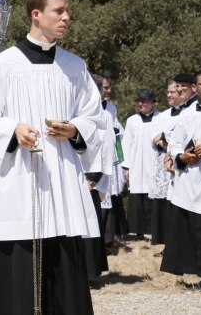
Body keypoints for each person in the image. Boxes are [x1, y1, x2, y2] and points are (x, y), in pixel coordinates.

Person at [0, 0, 105, 314]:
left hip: (62, 184)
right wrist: (12, 129)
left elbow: (95, 119)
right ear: (36, 14)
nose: (67, 17)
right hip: (18, 180)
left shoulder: (75, 67)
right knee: (17, 280)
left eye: (67, 10)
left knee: (64, 276)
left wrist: (75, 129)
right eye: (59, 10)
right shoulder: (2, 65)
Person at [161, 69, 201, 290]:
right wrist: (181, 156)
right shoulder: (186, 115)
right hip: (193, 180)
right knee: (198, 230)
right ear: (194, 88)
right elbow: (175, 143)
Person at [81, 75, 113, 283]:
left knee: (88, 225)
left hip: (89, 179)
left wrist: (93, 180)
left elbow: (106, 148)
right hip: (71, 177)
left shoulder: (104, 115)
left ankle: (89, 272)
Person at [123, 89, 160, 240]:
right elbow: (126, 144)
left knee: (153, 196)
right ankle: (136, 230)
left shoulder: (161, 118)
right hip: (137, 163)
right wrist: (127, 167)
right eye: (139, 101)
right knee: (137, 197)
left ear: (152, 102)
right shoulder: (132, 121)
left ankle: (152, 231)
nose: (141, 103)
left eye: (144, 101)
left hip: (154, 162)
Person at [148, 82, 180, 246]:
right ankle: (166, 242)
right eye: (167, 92)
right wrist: (166, 143)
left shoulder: (188, 114)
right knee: (164, 205)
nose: (169, 95)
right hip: (163, 166)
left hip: (180, 165)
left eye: (172, 92)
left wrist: (165, 138)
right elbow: (154, 139)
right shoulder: (163, 116)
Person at [98, 75, 128, 248]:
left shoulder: (110, 108)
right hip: (94, 157)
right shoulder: (86, 104)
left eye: (109, 88)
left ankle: (108, 239)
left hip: (110, 157)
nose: (108, 91)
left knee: (109, 197)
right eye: (105, 87)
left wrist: (121, 160)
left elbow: (117, 134)